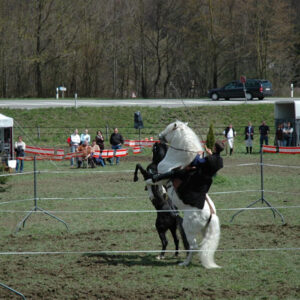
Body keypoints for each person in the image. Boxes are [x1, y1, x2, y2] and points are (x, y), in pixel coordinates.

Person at [152, 140, 224, 210]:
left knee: (177, 172)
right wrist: (210, 154)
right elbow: (212, 161)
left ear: (215, 148)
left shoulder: (210, 158)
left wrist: (197, 155)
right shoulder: (220, 161)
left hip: (197, 176)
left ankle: (158, 177)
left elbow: (197, 162)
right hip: (207, 182)